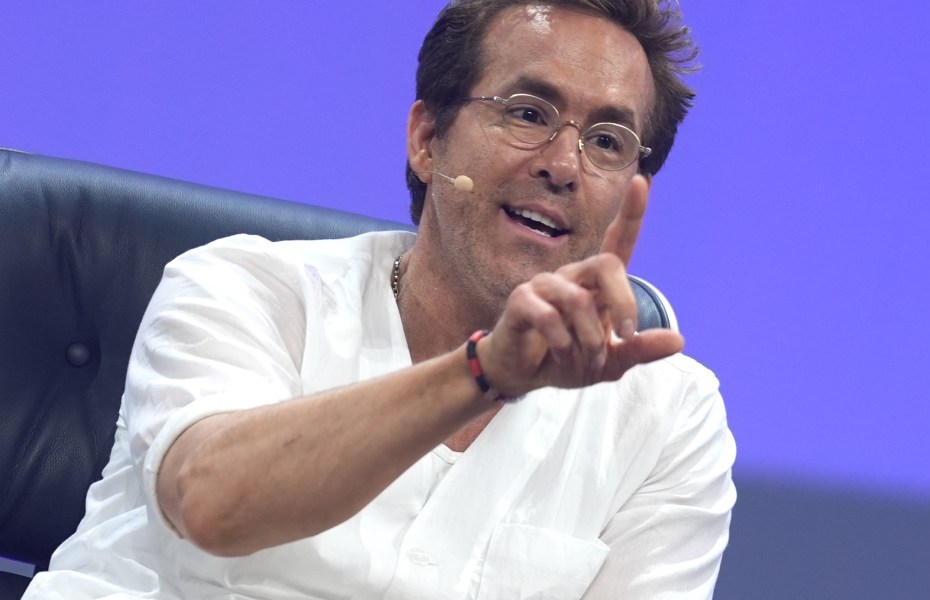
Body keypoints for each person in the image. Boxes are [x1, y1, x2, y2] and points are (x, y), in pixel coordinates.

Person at [23, 0, 735, 598]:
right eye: (527, 113)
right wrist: (485, 372)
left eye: (607, 142)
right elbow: (212, 504)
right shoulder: (242, 287)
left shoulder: (669, 416)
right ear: (427, 140)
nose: (562, 165)